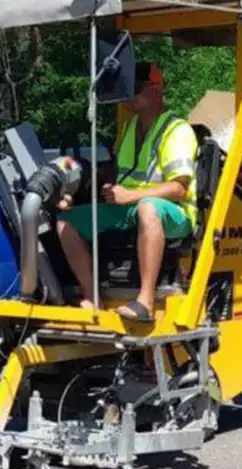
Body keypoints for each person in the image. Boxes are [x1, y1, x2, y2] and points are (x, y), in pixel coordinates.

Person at [55, 62, 199, 323]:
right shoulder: (130, 127)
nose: (130, 94)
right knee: (66, 221)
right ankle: (92, 295)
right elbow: (119, 171)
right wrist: (84, 189)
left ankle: (144, 302)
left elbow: (179, 188)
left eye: (136, 88)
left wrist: (130, 196)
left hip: (174, 213)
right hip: (129, 208)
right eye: (127, 88)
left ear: (155, 89)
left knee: (147, 208)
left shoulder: (177, 131)